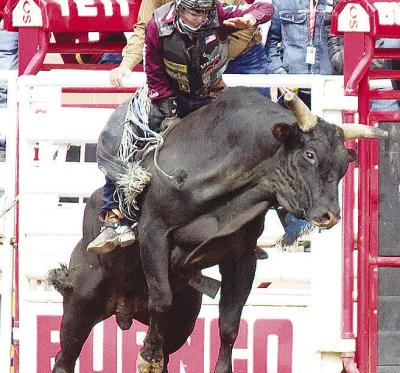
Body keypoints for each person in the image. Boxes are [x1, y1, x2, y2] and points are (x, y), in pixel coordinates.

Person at [87, 0, 274, 254]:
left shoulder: (217, 14)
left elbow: (264, 8)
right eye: (193, 13)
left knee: (252, 138)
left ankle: (245, 226)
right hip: (169, 93)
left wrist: (252, 18)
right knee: (122, 135)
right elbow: (153, 71)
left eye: (203, 13)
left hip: (209, 93)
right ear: (179, 9)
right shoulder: (158, 23)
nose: (199, 19)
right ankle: (114, 218)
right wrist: (167, 107)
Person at [264, 0, 335, 248]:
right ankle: (296, 227)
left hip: (328, 90)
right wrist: (279, 73)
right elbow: (271, 43)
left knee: (326, 163)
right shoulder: (281, 2)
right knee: (287, 162)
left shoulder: (340, 2)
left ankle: (325, 224)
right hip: (293, 93)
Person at [109, 0, 270, 87]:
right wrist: (126, 65)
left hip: (243, 57)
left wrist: (251, 18)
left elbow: (258, 10)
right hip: (195, 61)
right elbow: (144, 28)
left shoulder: (219, 11)